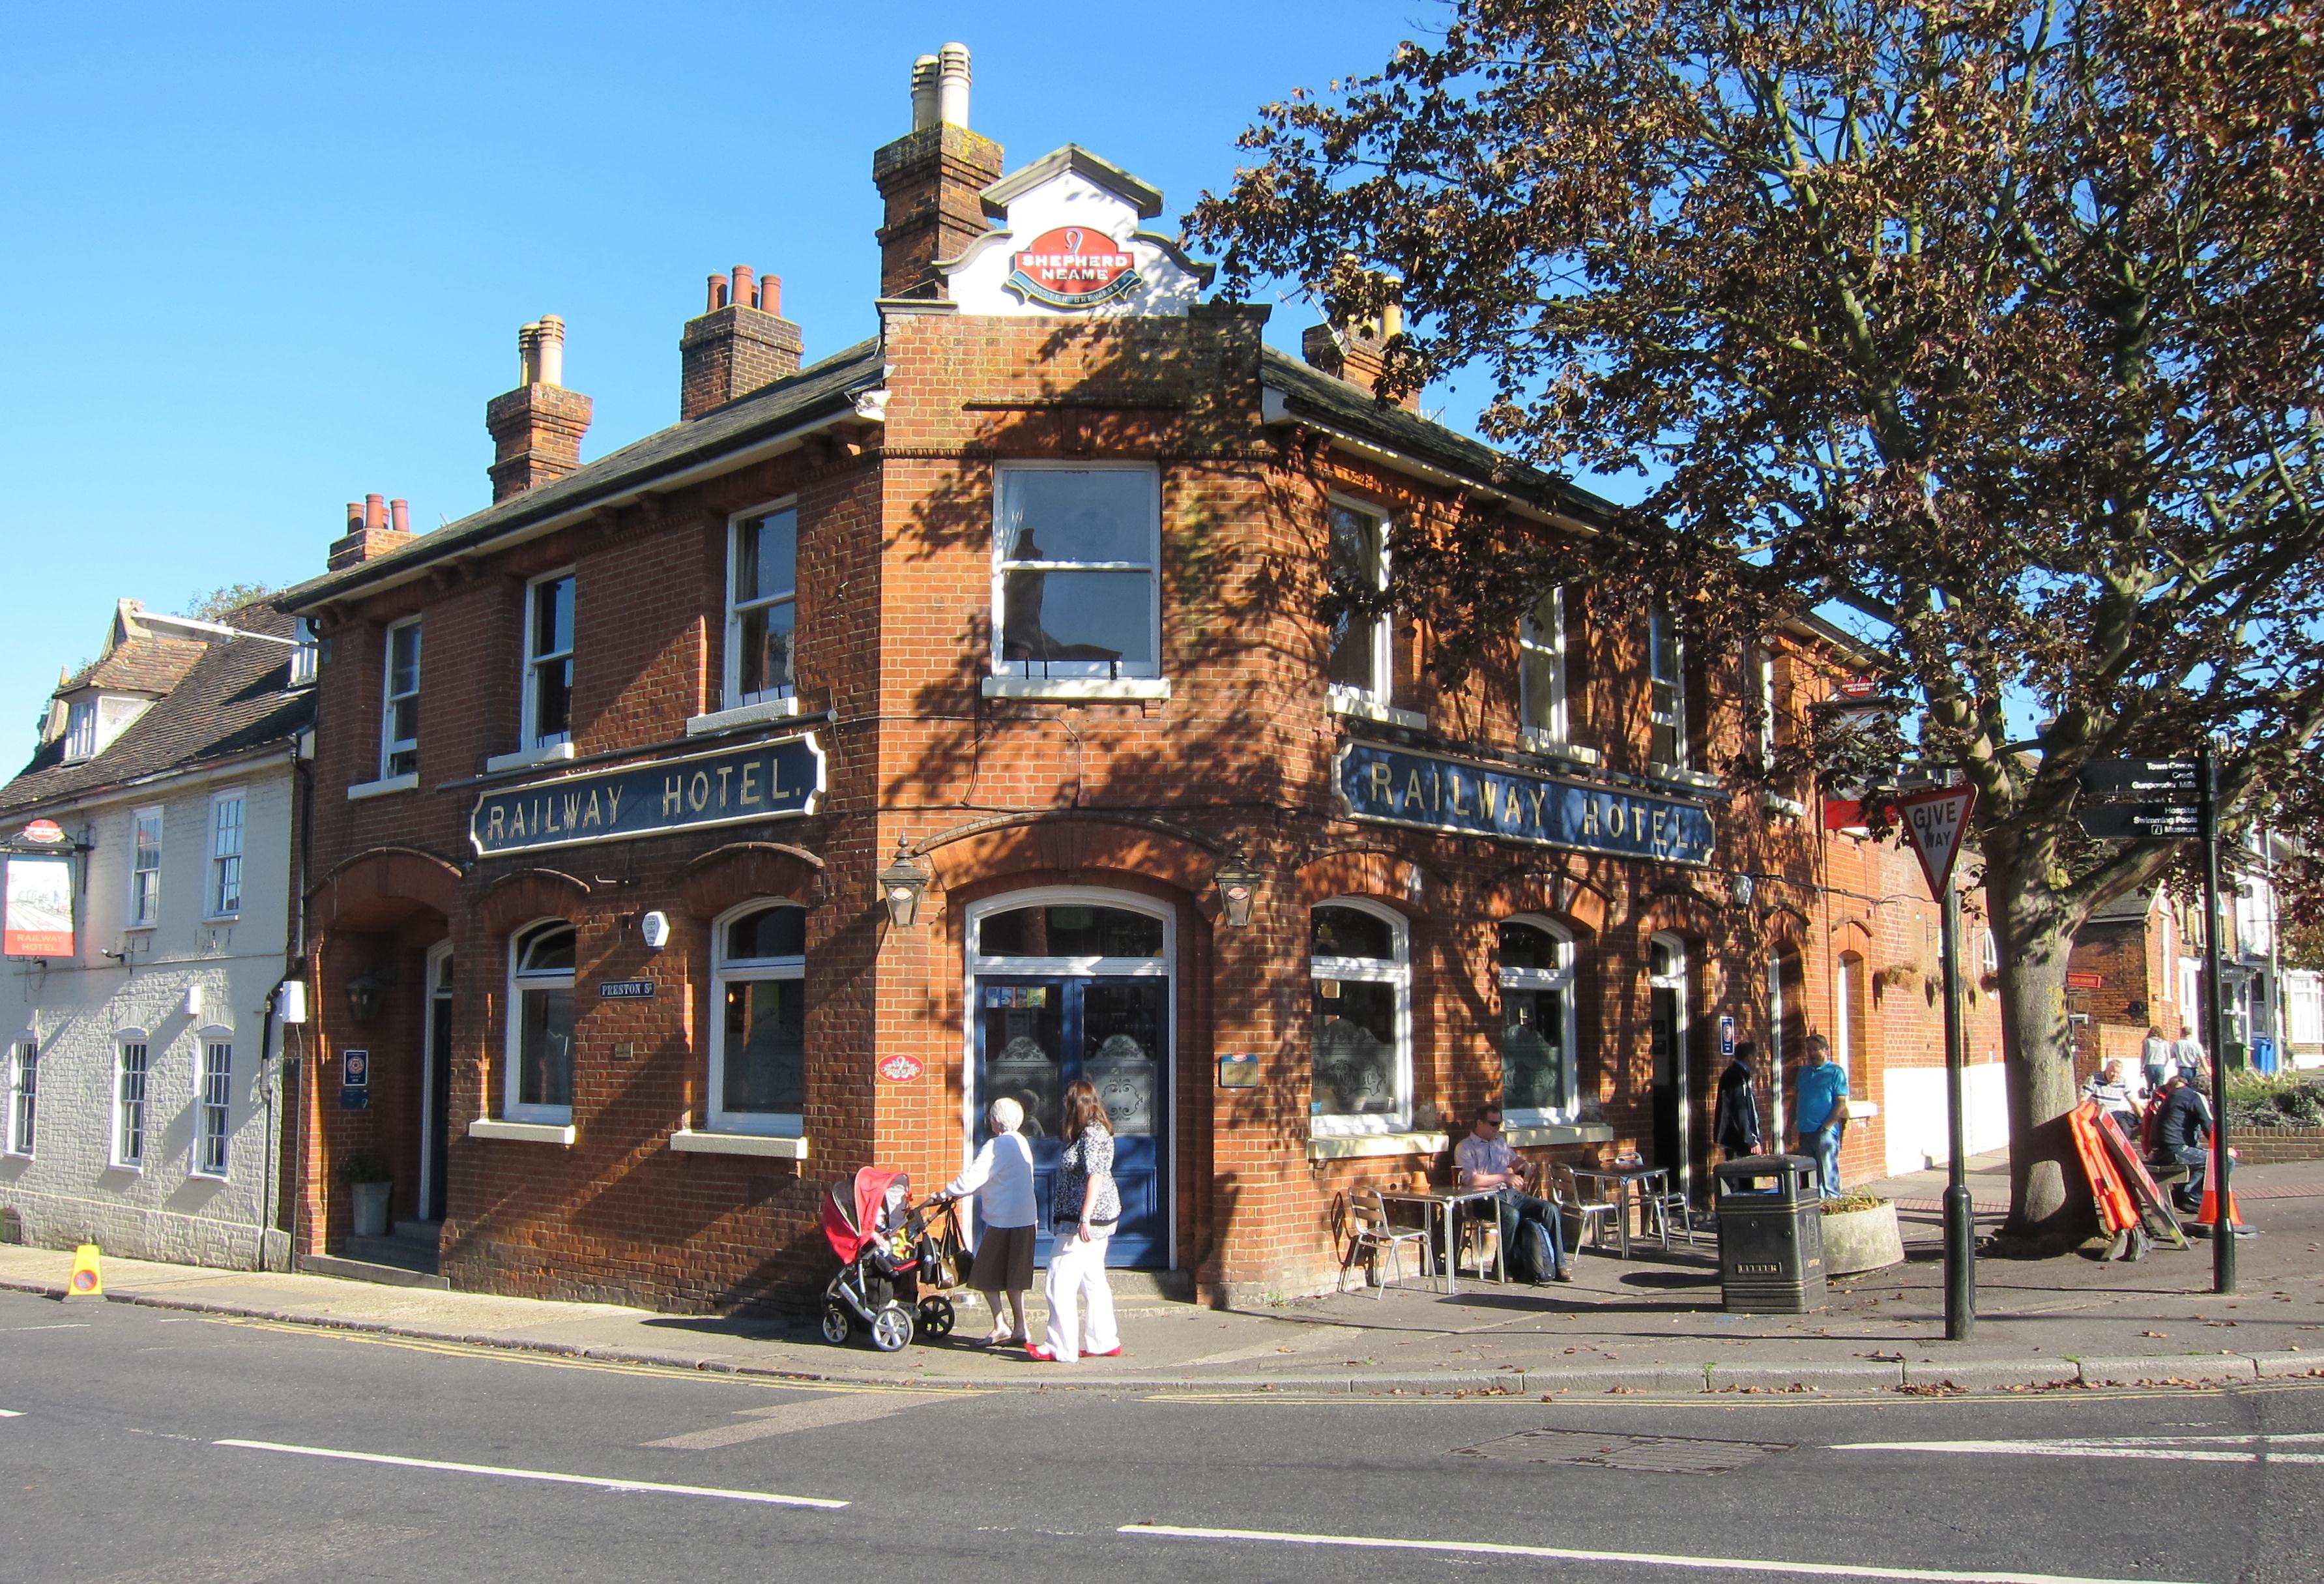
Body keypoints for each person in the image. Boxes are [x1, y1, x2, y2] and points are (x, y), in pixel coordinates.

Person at [1028, 1079, 1121, 1363]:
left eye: (1068, 1103)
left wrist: (1084, 1217)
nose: (1064, 1108)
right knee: (1093, 1280)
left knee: (1058, 1279)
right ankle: (1103, 1341)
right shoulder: (1095, 1132)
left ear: (1077, 1105)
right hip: (1098, 1217)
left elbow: (1096, 1175)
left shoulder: (1092, 1135)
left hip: (1081, 1221)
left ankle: (1060, 1346)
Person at [935, 1096, 1038, 1347]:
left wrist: (945, 1193)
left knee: (985, 1274)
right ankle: (1021, 1328)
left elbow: (973, 1177)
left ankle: (1001, 1325)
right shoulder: (1021, 1143)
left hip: (1003, 1220)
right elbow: (1001, 1179)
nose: (990, 1119)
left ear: (996, 1120)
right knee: (1015, 1278)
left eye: (991, 1115)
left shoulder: (996, 1146)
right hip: (1026, 1219)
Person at [1453, 1102, 1571, 1282]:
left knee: (1549, 1209)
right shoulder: (1465, 1147)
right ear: (1479, 1123)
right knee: (1511, 1215)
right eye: (1493, 1124)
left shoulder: (1500, 1142)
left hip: (1509, 1194)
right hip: (1483, 1198)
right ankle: (1502, 1266)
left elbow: (1517, 1162)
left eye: (1499, 1124)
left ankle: (1559, 1265)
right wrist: (1504, 1177)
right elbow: (1471, 1179)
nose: (1497, 1128)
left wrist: (1523, 1169)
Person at [2149, 1068, 2214, 1214]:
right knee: (2223, 1161)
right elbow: (2210, 1127)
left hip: (2160, 1151)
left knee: (2200, 1156)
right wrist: (2223, 1149)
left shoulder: (2176, 1094)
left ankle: (2183, 1194)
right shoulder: (2196, 1097)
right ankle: (2191, 1197)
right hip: (2175, 1150)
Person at [1794, 1034, 1849, 1198]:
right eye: (1809, 1050)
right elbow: (1796, 1100)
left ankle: (1832, 1202)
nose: (1811, 1053)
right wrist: (1792, 1125)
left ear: (1826, 1050)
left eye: (1815, 1049)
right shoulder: (1803, 1073)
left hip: (1825, 1131)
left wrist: (1827, 1126)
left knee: (1827, 1171)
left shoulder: (1835, 1072)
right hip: (1805, 1130)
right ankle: (1813, 1204)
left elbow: (1841, 1103)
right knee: (1809, 1173)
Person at [1715, 1041, 1762, 1161]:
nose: (1756, 1061)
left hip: (1736, 1137)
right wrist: (1750, 1139)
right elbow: (1740, 1110)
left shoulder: (1737, 1075)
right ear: (1749, 1058)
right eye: (1755, 1057)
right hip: (1738, 1139)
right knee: (1743, 1175)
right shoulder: (1737, 1078)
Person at [2082, 1057, 2141, 1139]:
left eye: (2117, 1073)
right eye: (2112, 1072)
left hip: (2115, 1113)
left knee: (2137, 1120)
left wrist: (2143, 1117)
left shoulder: (2122, 1082)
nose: (2114, 1075)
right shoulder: (2094, 1079)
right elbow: (2083, 1100)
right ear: (2106, 1070)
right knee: (2124, 1127)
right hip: (2100, 1114)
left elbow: (2133, 1101)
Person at [2140, 1026, 2173, 1093]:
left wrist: (2141, 1067)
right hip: (2160, 1065)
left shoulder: (2146, 1041)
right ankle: (2159, 1100)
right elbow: (2168, 1056)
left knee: (2150, 1086)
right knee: (2160, 1086)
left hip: (2149, 1065)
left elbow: (2143, 1055)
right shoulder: (2164, 1042)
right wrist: (2164, 1064)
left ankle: (2151, 1099)